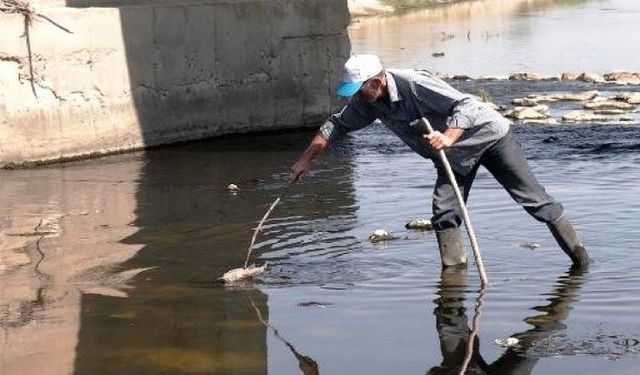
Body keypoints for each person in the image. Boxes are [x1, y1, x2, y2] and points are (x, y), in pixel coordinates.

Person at [289, 54, 590, 268]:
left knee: (534, 201)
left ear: (377, 81)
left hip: (488, 137)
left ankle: (581, 262)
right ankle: (454, 282)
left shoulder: (413, 83)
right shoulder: (368, 102)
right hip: (452, 156)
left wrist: (448, 136)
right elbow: (336, 125)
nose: (357, 97)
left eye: (360, 90)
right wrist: (306, 160)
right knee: (444, 213)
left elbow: (466, 104)